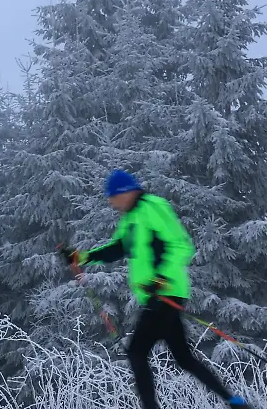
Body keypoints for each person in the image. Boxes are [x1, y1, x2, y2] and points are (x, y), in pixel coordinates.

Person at [58, 169, 251, 409]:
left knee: (137, 352)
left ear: (125, 193)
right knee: (184, 358)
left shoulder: (153, 207)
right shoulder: (131, 218)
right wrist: (81, 257)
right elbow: (117, 249)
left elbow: (181, 245)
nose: (110, 202)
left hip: (165, 293)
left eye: (112, 197)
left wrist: (160, 279)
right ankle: (235, 401)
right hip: (158, 295)